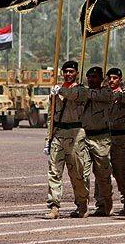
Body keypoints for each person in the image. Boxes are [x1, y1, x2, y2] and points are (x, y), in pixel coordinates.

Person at [44, 61, 89, 219]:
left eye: (71, 71)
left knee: (77, 172)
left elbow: (74, 95)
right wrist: (48, 139)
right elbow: (51, 116)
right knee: (54, 172)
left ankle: (82, 203)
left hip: (75, 133)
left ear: (76, 73)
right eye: (66, 71)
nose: (68, 74)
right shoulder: (56, 91)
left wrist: (61, 90)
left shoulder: (81, 90)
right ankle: (54, 206)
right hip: (59, 133)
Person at [81, 66, 114, 216]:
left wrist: (81, 92)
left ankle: (105, 201)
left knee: (102, 175)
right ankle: (82, 205)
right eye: (89, 77)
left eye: (94, 77)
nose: (91, 79)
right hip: (84, 136)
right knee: (82, 172)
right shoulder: (83, 92)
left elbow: (99, 96)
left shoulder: (106, 92)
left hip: (101, 138)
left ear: (101, 79)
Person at [106, 67, 125, 215]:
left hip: (120, 136)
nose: (112, 80)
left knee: (120, 171)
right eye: (109, 78)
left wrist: (117, 94)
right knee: (103, 170)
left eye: (115, 78)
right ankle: (103, 203)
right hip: (104, 136)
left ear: (120, 80)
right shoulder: (104, 93)